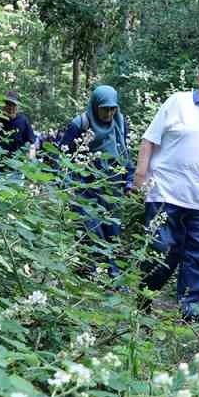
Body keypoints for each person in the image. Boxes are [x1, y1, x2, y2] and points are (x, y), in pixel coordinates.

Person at [134, 60, 199, 317]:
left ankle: (192, 313)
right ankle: (144, 301)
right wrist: (140, 177)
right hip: (165, 195)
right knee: (162, 253)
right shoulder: (177, 102)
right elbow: (149, 140)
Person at [53, 85, 133, 270]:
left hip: (113, 188)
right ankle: (107, 274)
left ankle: (99, 272)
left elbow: (124, 153)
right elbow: (63, 156)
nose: (109, 113)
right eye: (105, 108)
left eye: (113, 108)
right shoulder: (80, 124)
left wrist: (129, 180)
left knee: (112, 231)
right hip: (86, 187)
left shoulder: (120, 124)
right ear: (95, 105)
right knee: (92, 229)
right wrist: (68, 185)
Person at [0, 90, 38, 159]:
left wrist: (30, 160)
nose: (10, 108)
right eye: (8, 104)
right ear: (2, 104)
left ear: (18, 106)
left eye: (13, 104)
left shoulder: (23, 121)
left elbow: (31, 143)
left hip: (14, 163)